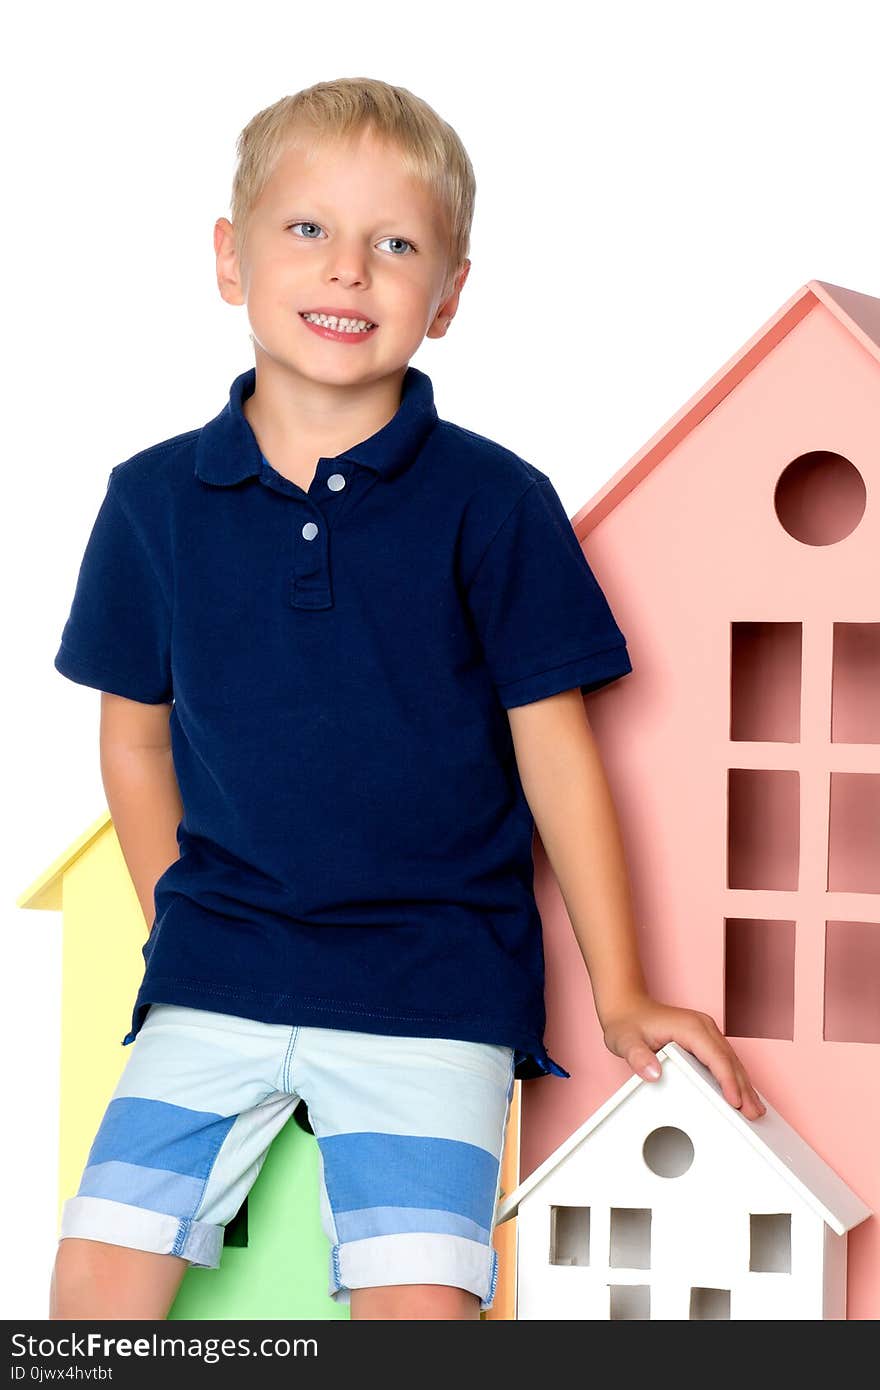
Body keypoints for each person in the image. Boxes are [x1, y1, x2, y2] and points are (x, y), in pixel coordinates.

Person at [48, 76, 765, 1323]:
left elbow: (558, 758)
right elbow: (133, 738)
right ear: (231, 257)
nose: (347, 271)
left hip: (435, 989)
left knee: (422, 1309)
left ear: (448, 297)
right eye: (308, 229)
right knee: (90, 1293)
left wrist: (621, 989)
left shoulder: (495, 503)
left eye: (395, 244)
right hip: (216, 977)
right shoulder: (152, 499)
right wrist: (178, 928)